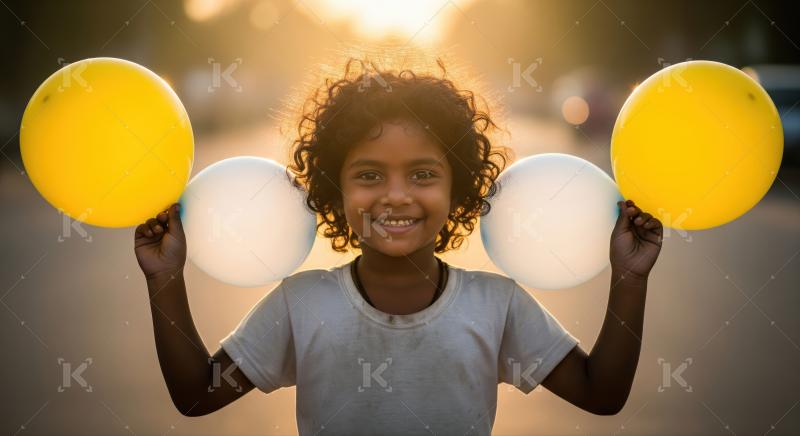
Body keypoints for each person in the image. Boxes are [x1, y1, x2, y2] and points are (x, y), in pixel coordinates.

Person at [134, 58, 663, 435]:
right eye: (368, 174)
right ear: (332, 189)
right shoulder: (300, 303)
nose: (395, 195)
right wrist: (165, 279)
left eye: (423, 174)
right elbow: (198, 395)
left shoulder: (497, 305)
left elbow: (601, 395)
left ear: (458, 187)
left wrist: (630, 278)